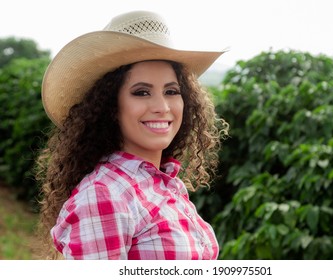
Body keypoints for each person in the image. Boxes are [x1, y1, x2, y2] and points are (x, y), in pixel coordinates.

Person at [36, 10, 228, 260]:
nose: (162, 107)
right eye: (141, 92)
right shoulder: (104, 195)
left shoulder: (165, 185)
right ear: (111, 107)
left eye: (171, 91)